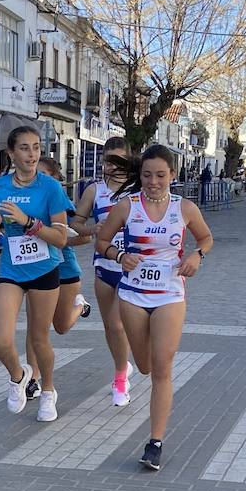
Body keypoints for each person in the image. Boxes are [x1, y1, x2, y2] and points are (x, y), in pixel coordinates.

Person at [95, 144, 214, 472]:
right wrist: (119, 256)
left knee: (162, 368)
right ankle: (134, 369)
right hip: (132, 294)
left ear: (172, 175)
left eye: (161, 175)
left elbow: (206, 239)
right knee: (145, 365)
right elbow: (101, 242)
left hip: (170, 294)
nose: (153, 181)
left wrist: (195, 256)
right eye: (147, 175)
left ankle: (155, 443)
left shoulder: (184, 208)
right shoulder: (127, 206)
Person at [0, 125, 72, 422]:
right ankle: (18, 376)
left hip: (45, 269)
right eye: (24, 147)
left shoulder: (51, 188)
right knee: (1, 340)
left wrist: (28, 222)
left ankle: (48, 390)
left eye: (36, 147)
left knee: (39, 339)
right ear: (11, 153)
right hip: (12, 269)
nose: (32, 154)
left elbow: (61, 238)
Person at [72, 136, 136, 406]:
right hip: (104, 265)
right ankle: (121, 369)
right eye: (107, 162)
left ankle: (121, 373)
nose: (112, 167)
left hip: (132, 267)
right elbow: (75, 223)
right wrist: (91, 229)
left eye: (118, 161)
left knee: (122, 324)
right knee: (111, 326)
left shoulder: (139, 188)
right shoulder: (94, 190)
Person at [20, 157, 90, 399]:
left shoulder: (61, 202)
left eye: (42, 174)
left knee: (60, 327)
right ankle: (34, 379)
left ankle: (80, 307)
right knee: (36, 327)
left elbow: (84, 237)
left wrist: (54, 237)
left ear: (53, 178)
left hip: (64, 268)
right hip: (35, 268)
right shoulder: (25, 201)